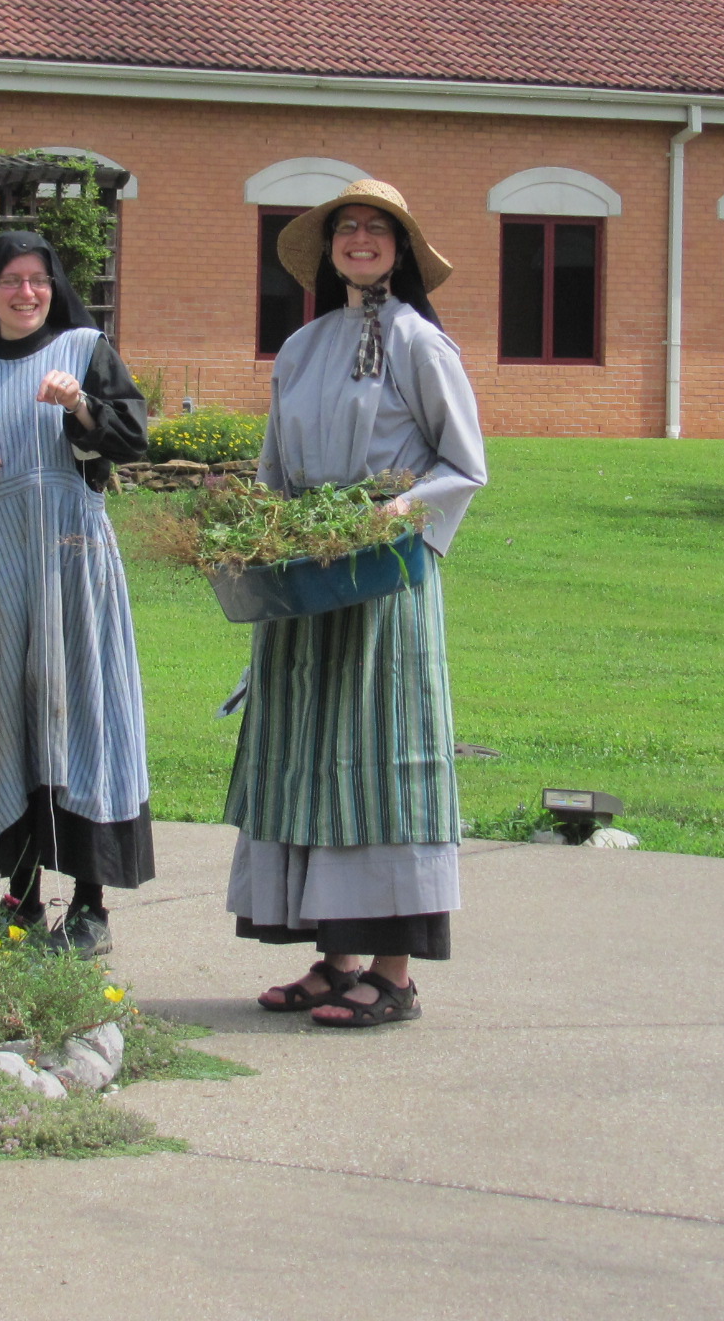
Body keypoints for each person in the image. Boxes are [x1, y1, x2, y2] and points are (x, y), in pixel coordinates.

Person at [226, 179, 486, 1027]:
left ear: (401, 250)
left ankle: (395, 971)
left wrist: (398, 511)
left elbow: (464, 464)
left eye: (379, 229)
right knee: (312, 751)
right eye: (349, 228)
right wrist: (258, 534)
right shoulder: (301, 347)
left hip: (384, 587)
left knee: (381, 759)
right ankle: (335, 960)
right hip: (307, 585)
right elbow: (275, 466)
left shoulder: (420, 344)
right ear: (329, 248)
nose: (362, 239)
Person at [0, 232, 153, 951]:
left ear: (54, 286)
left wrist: (80, 407)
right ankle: (19, 902)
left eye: (37, 279)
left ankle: (90, 905)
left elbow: (131, 437)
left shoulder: (83, 351)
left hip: (76, 565)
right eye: (10, 280)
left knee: (84, 716)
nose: (25, 293)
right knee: (8, 719)